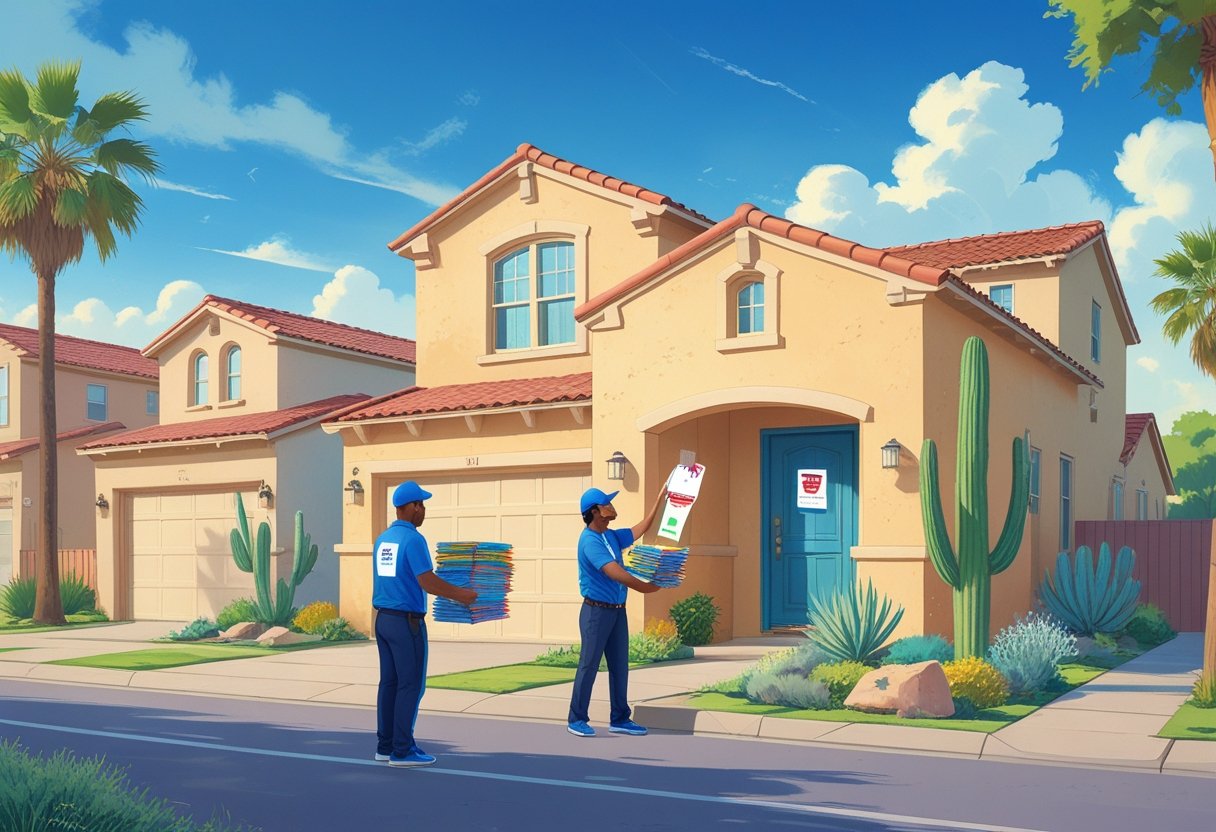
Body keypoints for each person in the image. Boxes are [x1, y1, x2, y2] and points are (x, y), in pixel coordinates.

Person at [372, 480, 476, 767]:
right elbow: (426, 581)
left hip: (383, 619)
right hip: (407, 623)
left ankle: (386, 745)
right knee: (410, 685)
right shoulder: (414, 540)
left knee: (389, 684)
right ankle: (403, 750)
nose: (424, 510)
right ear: (411, 507)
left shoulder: (383, 539)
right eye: (421, 504)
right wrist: (461, 595)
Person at [567, 483, 667, 738]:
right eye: (607, 504)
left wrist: (660, 499)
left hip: (616, 611)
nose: (612, 507)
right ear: (596, 511)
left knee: (620, 666)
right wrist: (646, 588)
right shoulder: (589, 541)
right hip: (595, 612)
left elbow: (640, 529)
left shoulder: (611, 535)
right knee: (589, 665)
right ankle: (577, 718)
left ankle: (620, 718)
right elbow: (615, 572)